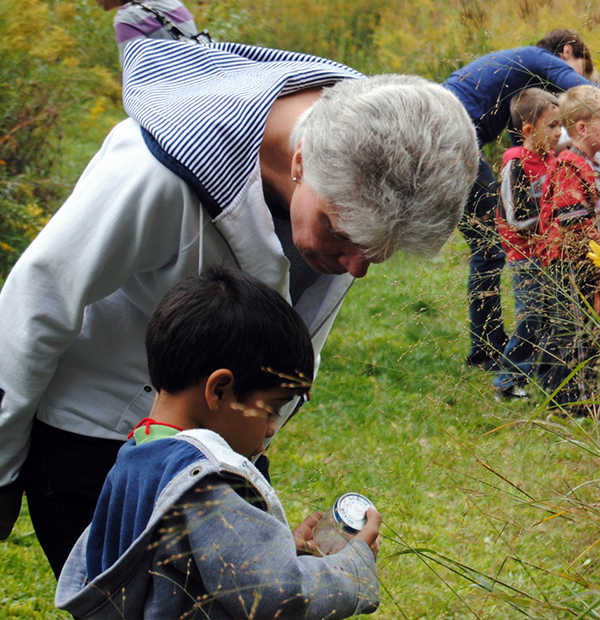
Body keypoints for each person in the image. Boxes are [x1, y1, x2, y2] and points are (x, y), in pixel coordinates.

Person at [0, 40, 479, 576]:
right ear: (301, 160)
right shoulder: (155, 172)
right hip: (107, 453)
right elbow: (36, 302)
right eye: (342, 235)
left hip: (223, 449)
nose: (355, 267)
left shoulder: (367, 146)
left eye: (376, 252)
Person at [55, 266, 381, 619]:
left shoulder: (139, 453)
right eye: (271, 409)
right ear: (220, 390)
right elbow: (283, 596)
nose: (272, 429)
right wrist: (353, 567)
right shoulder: (204, 486)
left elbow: (206, 568)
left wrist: (286, 550)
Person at [443, 29, 595, 371]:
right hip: (450, 136)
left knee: (486, 250)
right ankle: (487, 352)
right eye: (583, 68)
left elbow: (533, 147)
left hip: (449, 133)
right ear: (567, 51)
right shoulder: (537, 58)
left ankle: (491, 347)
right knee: (488, 249)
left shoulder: (523, 90)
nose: (577, 78)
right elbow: (583, 92)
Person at [492, 88, 561, 400]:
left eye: (561, 125)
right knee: (531, 317)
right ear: (529, 131)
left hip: (550, 253)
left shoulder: (553, 160)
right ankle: (507, 381)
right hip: (526, 255)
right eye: (552, 126)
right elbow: (514, 215)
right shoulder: (516, 163)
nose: (560, 132)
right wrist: (553, 222)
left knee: (551, 317)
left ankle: (548, 378)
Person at [537, 85, 600, 414]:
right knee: (570, 328)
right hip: (570, 263)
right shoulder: (568, 166)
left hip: (586, 261)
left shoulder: (587, 164)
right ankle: (567, 400)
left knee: (587, 328)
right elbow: (572, 218)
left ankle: (582, 392)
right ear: (583, 128)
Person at [95, 0, 205, 65]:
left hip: (171, 95)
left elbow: (134, 71)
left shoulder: (127, 18)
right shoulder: (171, 2)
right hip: (203, 82)